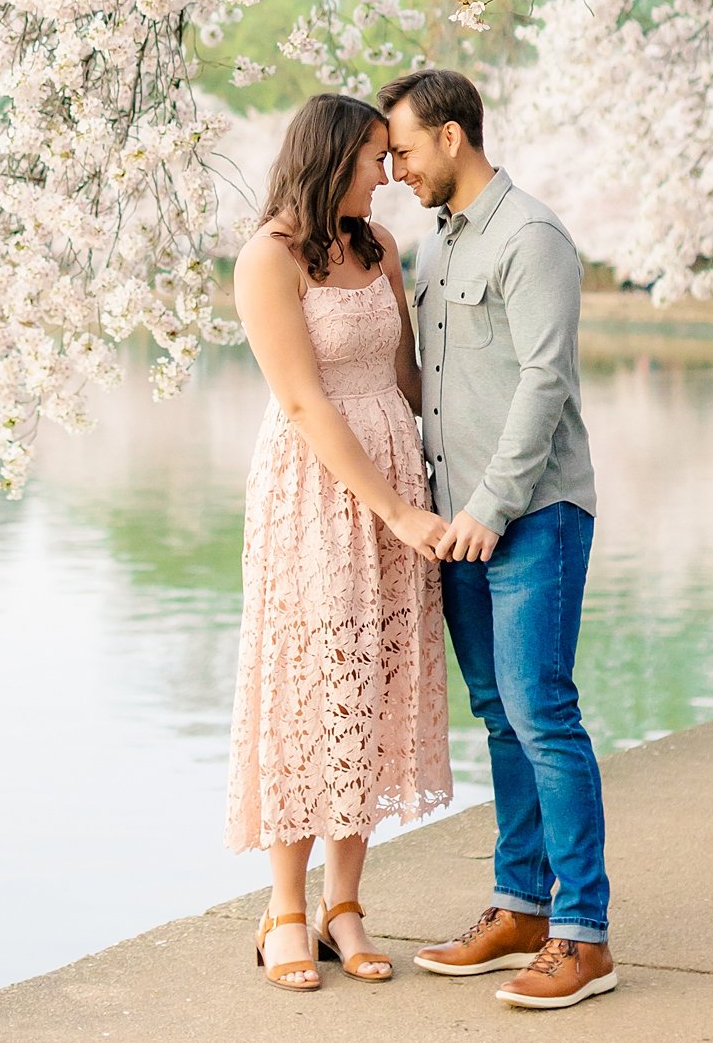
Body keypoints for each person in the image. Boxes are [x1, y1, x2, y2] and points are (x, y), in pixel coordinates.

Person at [379, 67, 617, 1012]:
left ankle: (584, 933)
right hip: (460, 526)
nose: (393, 168)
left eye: (401, 148)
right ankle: (520, 904)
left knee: (542, 711)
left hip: (534, 514)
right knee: (497, 713)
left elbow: (543, 383)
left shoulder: (533, 238)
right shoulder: (434, 249)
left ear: (450, 136)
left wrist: (492, 505)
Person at [225, 92, 453, 992]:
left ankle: (345, 903)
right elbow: (304, 400)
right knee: (306, 684)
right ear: (330, 160)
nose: (386, 173)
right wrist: (394, 512)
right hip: (316, 488)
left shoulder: (381, 248)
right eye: (371, 158)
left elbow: (406, 375)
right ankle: (283, 908)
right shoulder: (267, 258)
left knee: (374, 676)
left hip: (398, 470)